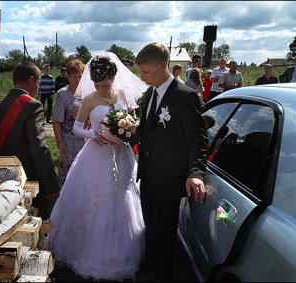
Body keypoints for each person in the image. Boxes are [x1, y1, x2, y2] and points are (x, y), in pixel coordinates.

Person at [49, 52, 148, 282]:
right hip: (97, 155)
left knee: (123, 199)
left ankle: (122, 253)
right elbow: (75, 128)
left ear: (114, 77)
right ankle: (91, 253)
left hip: (121, 154)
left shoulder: (123, 95)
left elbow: (132, 122)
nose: (101, 89)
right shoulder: (90, 99)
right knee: (96, 200)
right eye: (97, 84)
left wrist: (128, 130)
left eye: (105, 84)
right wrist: (93, 134)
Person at [134, 42, 208, 282]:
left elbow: (198, 139)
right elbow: (146, 131)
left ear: (162, 66)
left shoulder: (185, 96)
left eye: (146, 72)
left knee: (166, 231)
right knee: (151, 227)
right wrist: (119, 134)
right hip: (148, 174)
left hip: (170, 176)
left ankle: (163, 273)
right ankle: (149, 265)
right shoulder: (151, 93)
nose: (142, 77)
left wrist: (195, 172)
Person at [0, 61, 60, 220]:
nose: (38, 88)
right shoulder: (33, 106)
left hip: (4, 178)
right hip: (30, 179)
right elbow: (38, 147)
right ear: (31, 80)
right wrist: (51, 182)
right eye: (38, 83)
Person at [52, 59, 86, 188]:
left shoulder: (87, 92)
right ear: (68, 76)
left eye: (80, 76)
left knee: (84, 168)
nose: (77, 79)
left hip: (85, 138)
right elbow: (57, 120)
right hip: (68, 139)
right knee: (69, 169)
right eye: (74, 76)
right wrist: (59, 140)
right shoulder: (62, 94)